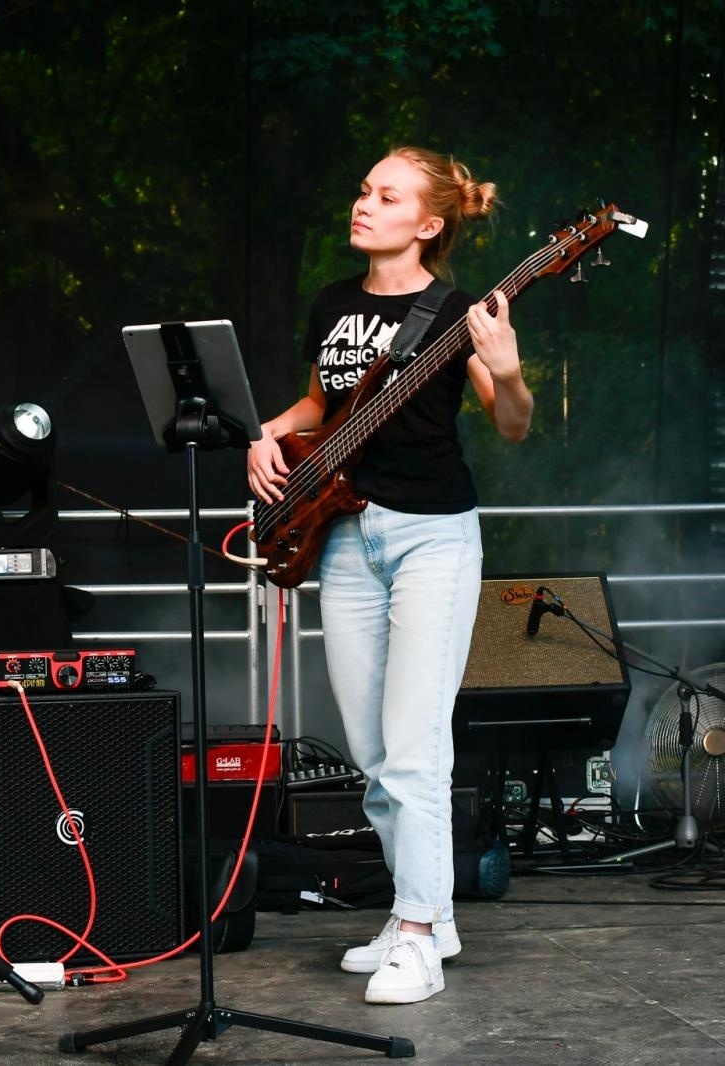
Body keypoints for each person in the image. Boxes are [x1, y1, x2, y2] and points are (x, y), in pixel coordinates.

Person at [246, 146, 533, 1005]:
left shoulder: (452, 311)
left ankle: (415, 930)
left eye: (387, 195)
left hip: (431, 539)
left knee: (414, 746)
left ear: (430, 222)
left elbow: (511, 424)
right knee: (372, 753)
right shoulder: (335, 303)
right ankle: (428, 913)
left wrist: (509, 364)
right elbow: (320, 405)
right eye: (364, 188)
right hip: (343, 539)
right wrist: (267, 430)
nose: (364, 203)